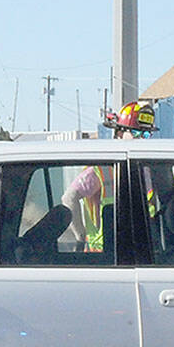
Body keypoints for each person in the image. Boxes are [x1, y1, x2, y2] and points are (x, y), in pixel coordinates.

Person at [62, 99, 156, 252]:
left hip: (139, 250)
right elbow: (68, 198)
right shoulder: (100, 170)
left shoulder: (146, 169)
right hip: (103, 256)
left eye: (145, 134)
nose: (141, 139)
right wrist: (80, 235)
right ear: (119, 133)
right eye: (136, 133)